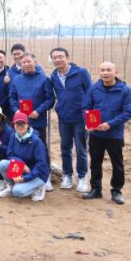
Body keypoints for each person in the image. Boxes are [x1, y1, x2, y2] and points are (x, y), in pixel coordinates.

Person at [82, 62, 131, 205]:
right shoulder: (94, 88)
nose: (105, 73)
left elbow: (128, 112)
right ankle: (96, 189)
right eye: (102, 70)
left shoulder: (125, 90)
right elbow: (86, 107)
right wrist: (88, 122)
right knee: (95, 162)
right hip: (96, 134)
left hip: (114, 134)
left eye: (109, 70)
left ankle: (116, 191)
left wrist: (110, 124)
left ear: (116, 72)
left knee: (117, 164)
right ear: (99, 73)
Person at [9, 52, 54, 190]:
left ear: (35, 62)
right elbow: (12, 97)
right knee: (21, 148)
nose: (26, 64)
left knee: (41, 149)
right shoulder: (17, 80)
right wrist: (17, 110)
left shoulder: (44, 79)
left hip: (37, 120)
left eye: (29, 61)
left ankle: (45, 177)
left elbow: (50, 99)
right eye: (24, 62)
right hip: (21, 121)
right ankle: (21, 174)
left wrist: (38, 111)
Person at [49, 47, 92, 193]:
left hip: (81, 118)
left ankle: (82, 177)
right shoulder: (54, 76)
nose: (58, 60)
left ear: (67, 57)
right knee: (65, 147)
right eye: (55, 57)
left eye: (60, 56)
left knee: (81, 148)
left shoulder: (81, 73)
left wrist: (91, 118)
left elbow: (90, 93)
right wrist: (59, 108)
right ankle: (67, 175)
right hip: (64, 118)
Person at [0, 111, 49, 201]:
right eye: (17, 124)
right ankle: (10, 186)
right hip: (23, 169)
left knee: (17, 191)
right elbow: (10, 154)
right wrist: (22, 164)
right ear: (13, 125)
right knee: (2, 164)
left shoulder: (36, 141)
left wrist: (24, 178)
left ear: (28, 125)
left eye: (23, 123)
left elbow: (41, 165)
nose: (20, 126)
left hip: (38, 174)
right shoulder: (13, 136)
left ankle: (39, 187)